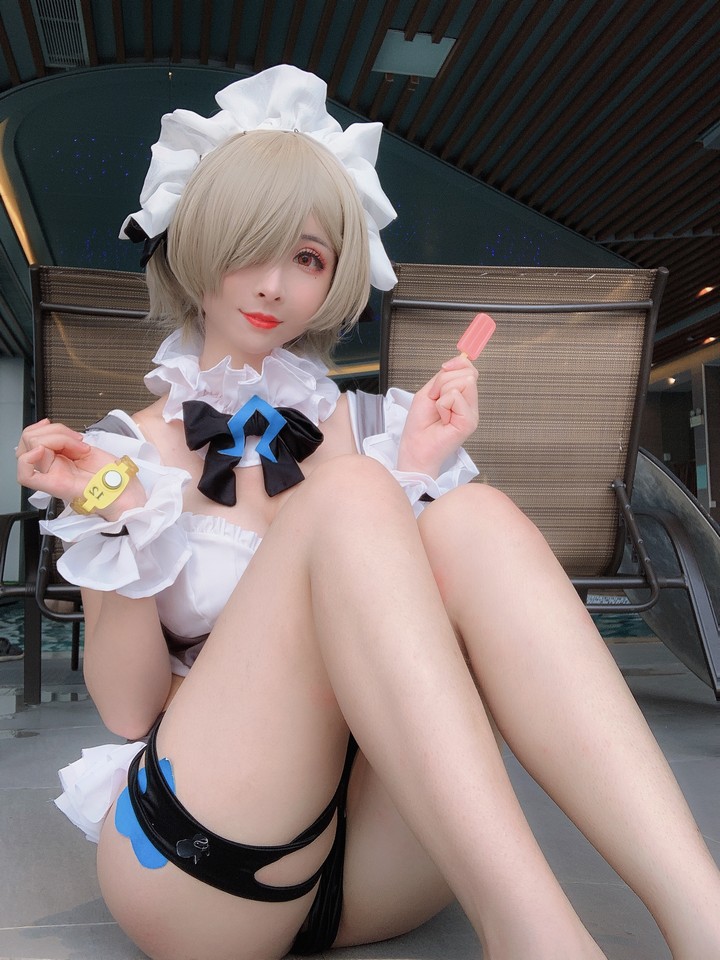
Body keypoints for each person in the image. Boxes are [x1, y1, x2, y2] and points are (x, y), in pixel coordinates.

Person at [15, 66, 720, 960]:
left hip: (391, 862)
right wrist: (119, 513)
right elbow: (129, 710)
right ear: (194, 241)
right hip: (212, 867)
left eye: (308, 259)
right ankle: (542, 941)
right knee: (351, 493)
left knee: (473, 516)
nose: (274, 285)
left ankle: (705, 918)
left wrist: (416, 475)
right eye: (248, 246)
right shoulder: (124, 458)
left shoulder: (383, 430)